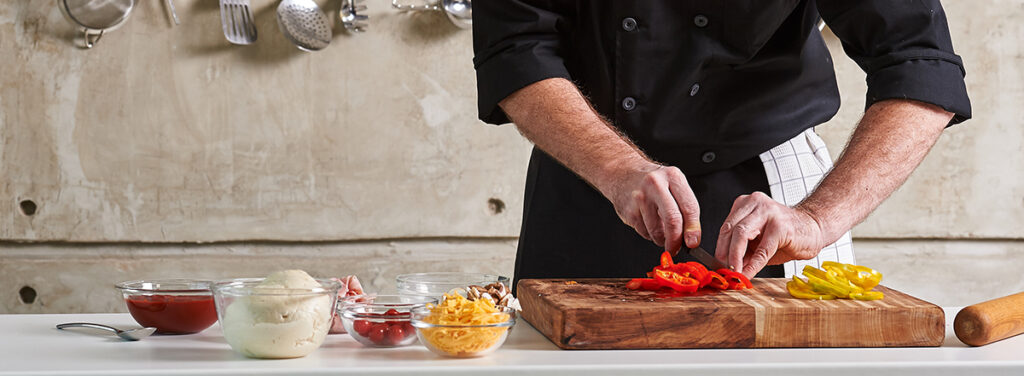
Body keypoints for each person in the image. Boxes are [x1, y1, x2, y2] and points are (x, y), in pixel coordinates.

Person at [472, 1, 971, 289]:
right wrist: (616, 165)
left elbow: (919, 63)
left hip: (779, 195)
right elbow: (516, 48)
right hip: (589, 181)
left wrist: (816, 219)